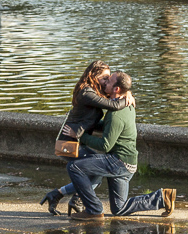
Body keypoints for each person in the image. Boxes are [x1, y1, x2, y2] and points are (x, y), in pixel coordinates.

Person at [64, 71, 176, 221]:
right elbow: (110, 127)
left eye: (109, 81)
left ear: (116, 89)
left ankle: (94, 210)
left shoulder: (116, 114)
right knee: (119, 208)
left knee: (75, 167)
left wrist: (79, 135)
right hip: (128, 162)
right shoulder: (126, 105)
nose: (105, 83)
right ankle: (162, 198)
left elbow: (105, 145)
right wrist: (86, 124)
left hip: (119, 162)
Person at [39, 60, 135, 215]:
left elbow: (114, 95)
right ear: (94, 75)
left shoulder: (96, 92)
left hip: (77, 141)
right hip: (67, 143)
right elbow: (115, 105)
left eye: (108, 79)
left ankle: (62, 197)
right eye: (104, 78)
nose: (106, 82)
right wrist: (127, 96)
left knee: (94, 172)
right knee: (95, 172)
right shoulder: (87, 92)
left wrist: (126, 91)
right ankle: (71, 199)